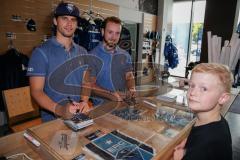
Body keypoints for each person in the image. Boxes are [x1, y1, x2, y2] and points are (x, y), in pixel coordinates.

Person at [27, 2, 91, 122]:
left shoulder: (83, 52)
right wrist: (60, 110)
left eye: (73, 19)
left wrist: (84, 101)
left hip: (78, 118)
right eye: (64, 18)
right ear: (55, 21)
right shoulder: (41, 52)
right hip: (52, 121)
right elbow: (36, 91)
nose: (69, 23)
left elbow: (86, 82)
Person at [173, 63, 233, 160]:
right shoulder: (218, 122)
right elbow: (201, 135)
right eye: (192, 85)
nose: (192, 92)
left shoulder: (205, 145)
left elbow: (204, 146)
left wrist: (178, 158)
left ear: (222, 98)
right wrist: (189, 141)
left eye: (204, 88)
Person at [89, 16, 136, 101]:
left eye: (117, 33)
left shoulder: (125, 55)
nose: (114, 37)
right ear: (103, 32)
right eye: (110, 32)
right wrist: (110, 95)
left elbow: (129, 76)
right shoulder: (92, 56)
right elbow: (90, 85)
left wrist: (131, 88)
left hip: (123, 105)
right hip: (102, 109)